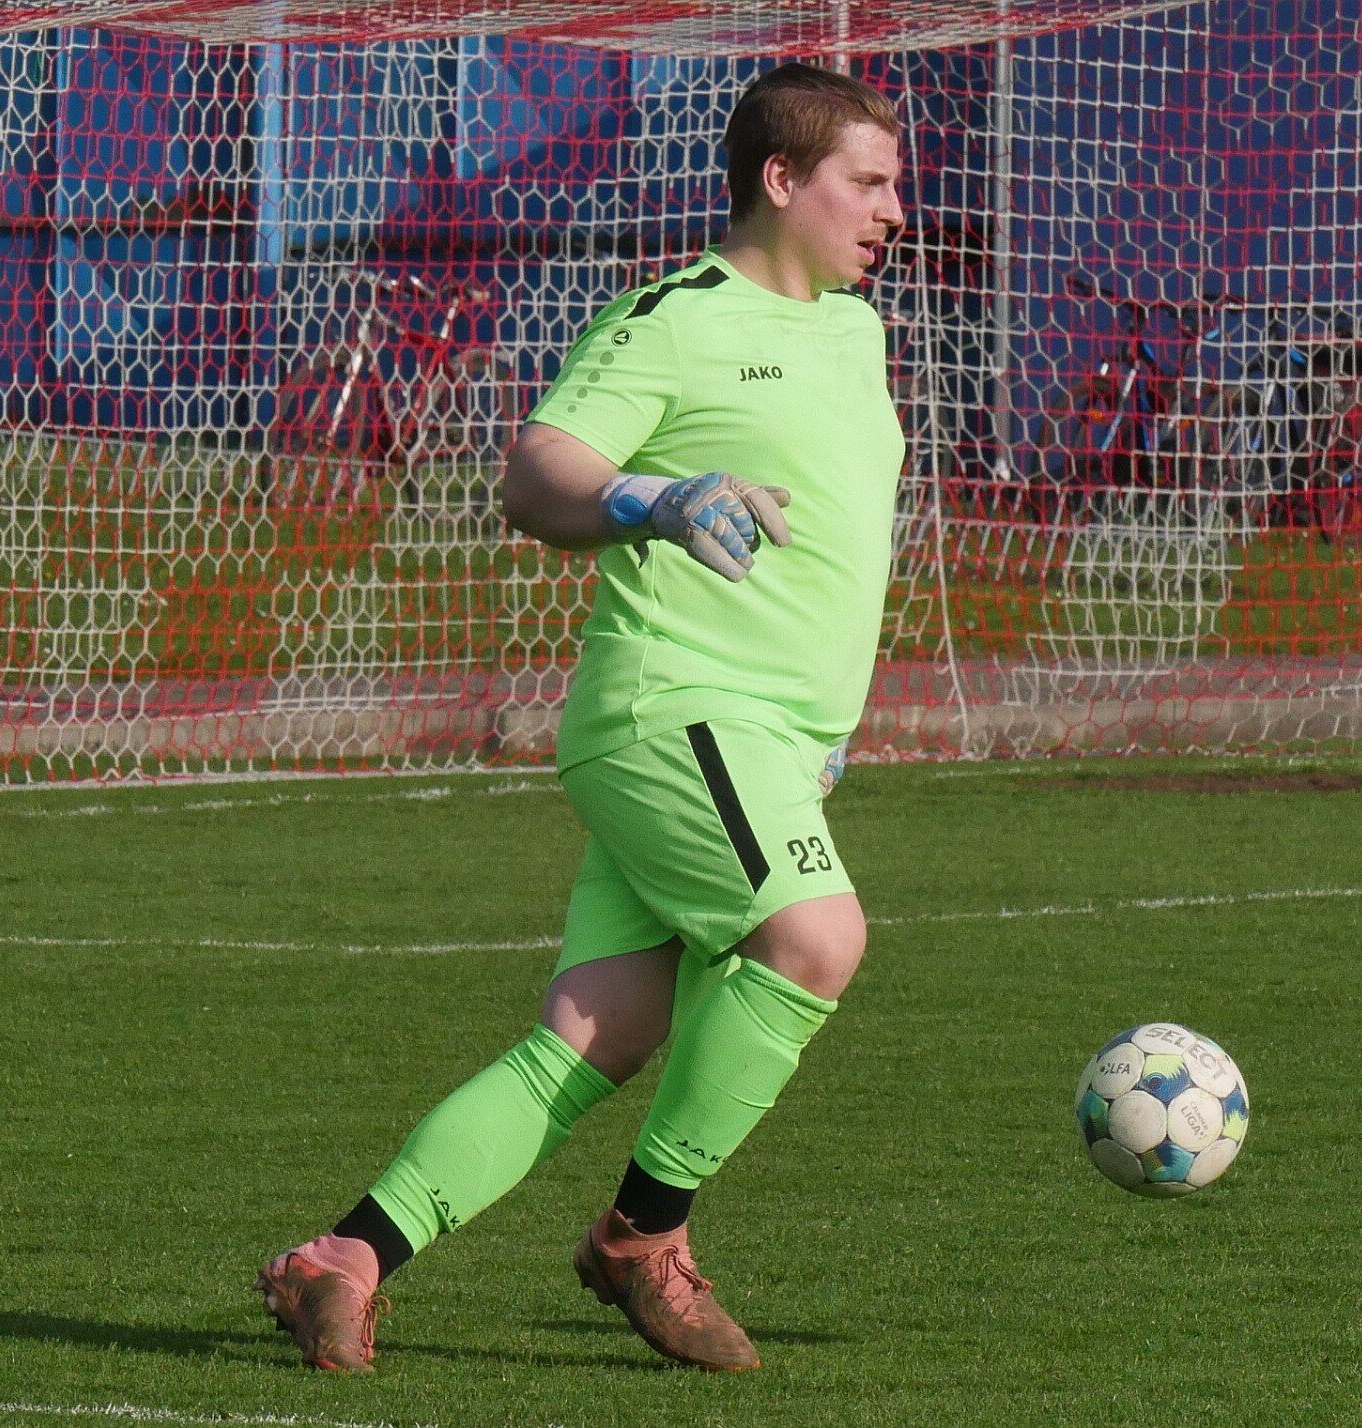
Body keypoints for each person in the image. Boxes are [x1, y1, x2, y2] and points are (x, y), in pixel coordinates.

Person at [251, 62, 907, 1375]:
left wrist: (825, 721)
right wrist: (651, 500)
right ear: (782, 179)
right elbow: (540, 471)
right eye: (870, 182)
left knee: (600, 1032)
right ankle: (640, 1240)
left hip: (767, 744)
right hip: (680, 708)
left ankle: (345, 1258)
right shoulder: (675, 318)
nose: (896, 210)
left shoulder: (857, 330)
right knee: (816, 939)